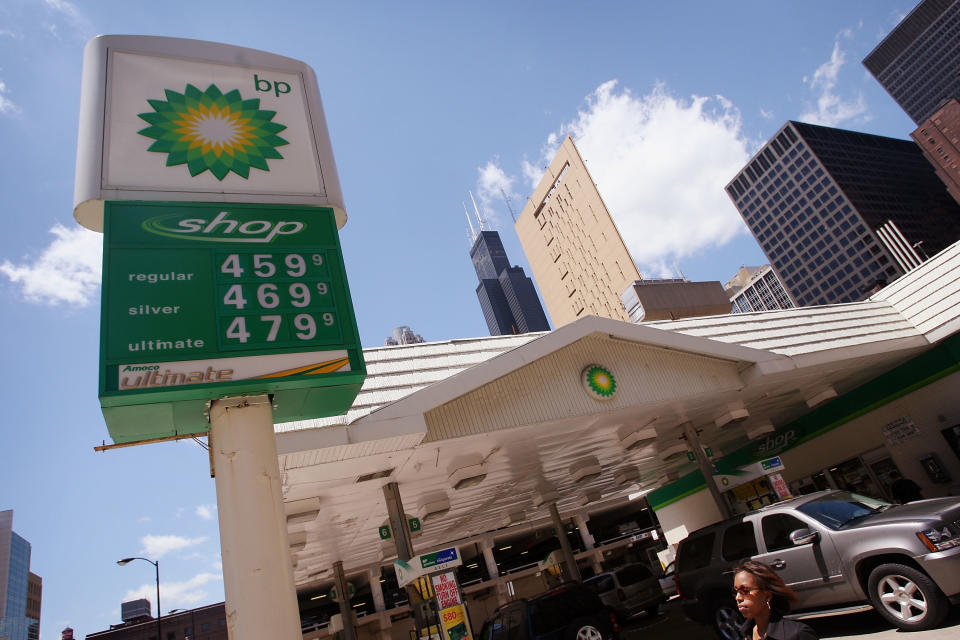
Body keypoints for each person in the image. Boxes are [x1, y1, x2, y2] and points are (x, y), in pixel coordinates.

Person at [734, 560, 819, 640]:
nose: (738, 597)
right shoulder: (747, 634)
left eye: (745, 590)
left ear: (767, 595)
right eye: (736, 591)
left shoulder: (798, 634)